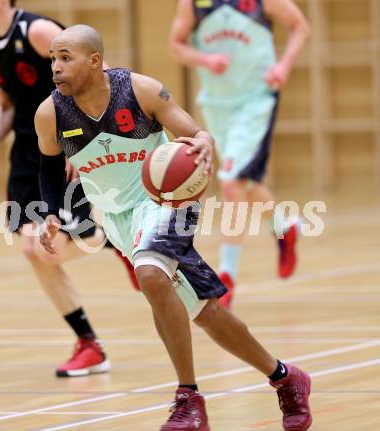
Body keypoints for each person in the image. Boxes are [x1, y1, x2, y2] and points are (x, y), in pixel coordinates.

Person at [36, 24, 312, 431]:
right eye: (53, 60)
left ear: (94, 60)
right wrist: (52, 213)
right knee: (205, 313)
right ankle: (286, 378)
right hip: (118, 218)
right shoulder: (51, 112)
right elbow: (47, 167)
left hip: (168, 201)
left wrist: (204, 142)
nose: (56, 68)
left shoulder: (140, 90)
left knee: (150, 273)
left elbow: (193, 131)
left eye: (65, 58)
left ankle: (189, 399)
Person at [0, 0, 138, 377]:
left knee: (42, 246)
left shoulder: (38, 32)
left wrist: (82, 144)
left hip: (64, 144)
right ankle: (89, 343)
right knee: (35, 253)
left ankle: (116, 241)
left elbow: (103, 80)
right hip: (26, 156)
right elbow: (7, 104)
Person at [170, 0, 311, 307]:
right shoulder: (193, 4)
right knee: (243, 181)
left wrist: (284, 65)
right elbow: (176, 45)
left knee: (232, 183)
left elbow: (300, 25)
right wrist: (204, 59)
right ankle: (284, 228)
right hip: (217, 104)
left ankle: (226, 275)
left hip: (256, 100)